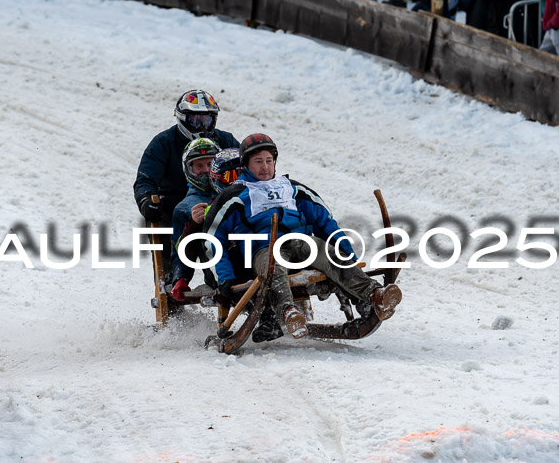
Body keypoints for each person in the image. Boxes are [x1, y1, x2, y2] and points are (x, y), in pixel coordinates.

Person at [203, 133, 402, 342]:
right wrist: (223, 277)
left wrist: (346, 251)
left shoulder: (292, 188)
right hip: (264, 249)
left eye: (269, 161)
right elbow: (213, 239)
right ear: (246, 164)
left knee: (329, 254)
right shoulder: (235, 195)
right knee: (273, 267)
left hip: (302, 242)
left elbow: (324, 220)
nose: (265, 167)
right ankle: (288, 312)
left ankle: (375, 294)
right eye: (258, 162)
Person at [134, 90, 240, 277]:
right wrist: (145, 201)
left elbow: (245, 169)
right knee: (161, 227)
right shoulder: (162, 143)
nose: (201, 127)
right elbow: (145, 179)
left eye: (205, 121)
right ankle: (170, 280)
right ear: (182, 119)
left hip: (217, 202)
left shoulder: (225, 140)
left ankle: (235, 274)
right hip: (171, 203)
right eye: (195, 121)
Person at [170, 146, 243, 302]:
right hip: (216, 264)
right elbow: (179, 251)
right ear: (188, 170)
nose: (206, 171)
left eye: (210, 165)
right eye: (199, 166)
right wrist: (180, 278)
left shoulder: (235, 190)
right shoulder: (184, 208)